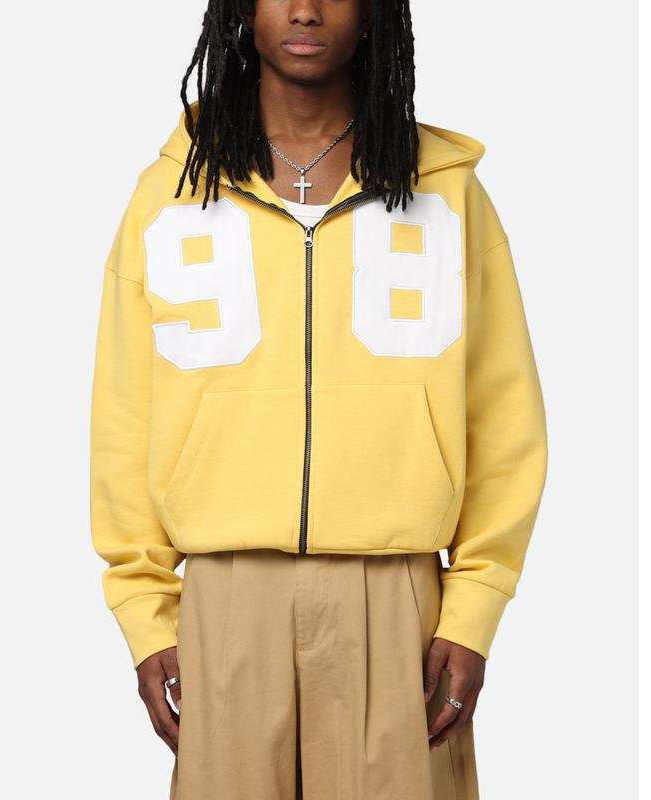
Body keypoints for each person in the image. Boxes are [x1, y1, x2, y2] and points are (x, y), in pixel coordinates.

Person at [89, 1, 548, 797]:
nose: (305, 9)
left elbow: (504, 415)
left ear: (375, 12)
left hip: (398, 597)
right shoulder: (171, 194)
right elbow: (124, 414)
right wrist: (143, 610)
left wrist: (473, 607)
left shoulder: (445, 197)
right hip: (226, 596)